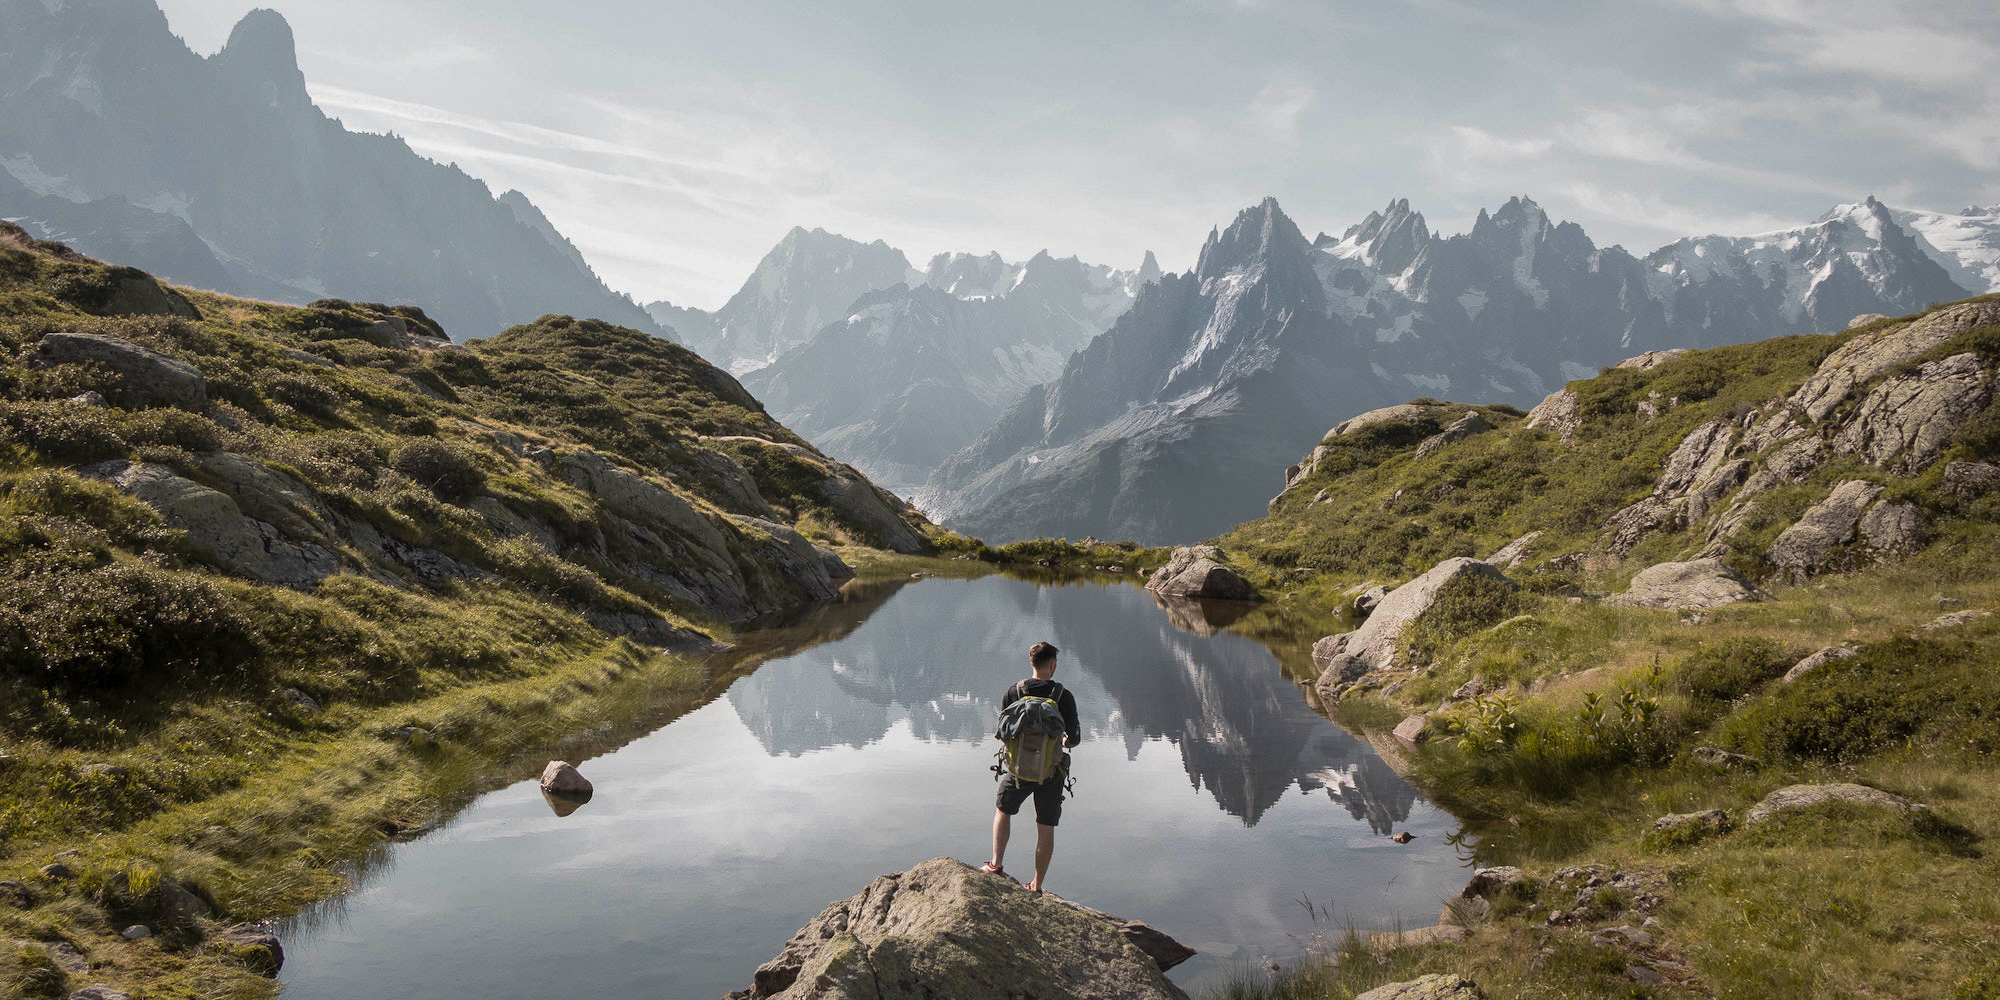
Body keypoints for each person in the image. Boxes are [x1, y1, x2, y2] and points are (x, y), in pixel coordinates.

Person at [981, 640, 1080, 893]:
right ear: (1052, 665)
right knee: (1045, 826)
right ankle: (1036, 885)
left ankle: (995, 864)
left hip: (1017, 771)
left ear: (1031, 663)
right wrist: (1065, 740)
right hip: (1051, 771)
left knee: (1003, 809)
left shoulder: (1014, 692)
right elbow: (1075, 739)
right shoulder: (1062, 696)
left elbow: (1002, 731)